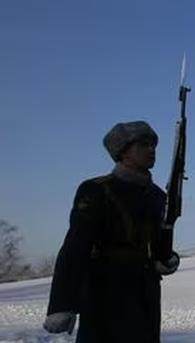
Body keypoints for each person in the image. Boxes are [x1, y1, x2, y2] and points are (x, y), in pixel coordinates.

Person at [43, 121, 181, 342]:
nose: (152, 149)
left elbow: (155, 243)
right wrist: (62, 303)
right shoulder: (97, 189)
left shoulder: (157, 195)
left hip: (146, 293)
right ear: (123, 151)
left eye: (153, 144)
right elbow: (76, 245)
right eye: (143, 144)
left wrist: (167, 259)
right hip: (105, 291)